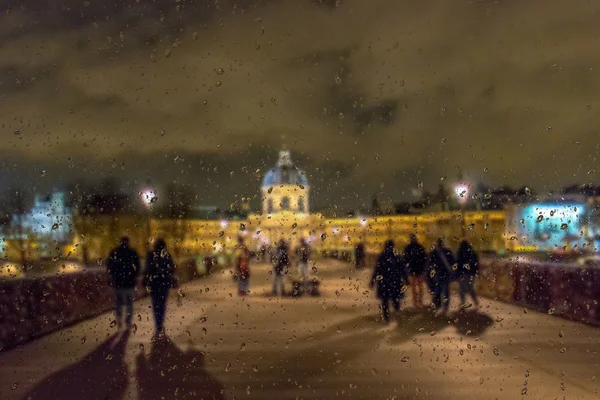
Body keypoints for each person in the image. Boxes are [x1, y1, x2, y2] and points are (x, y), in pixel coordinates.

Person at [106, 237, 141, 330]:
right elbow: (137, 267)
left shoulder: (115, 252)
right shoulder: (132, 252)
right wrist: (135, 277)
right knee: (129, 303)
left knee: (118, 302)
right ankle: (128, 321)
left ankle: (119, 317)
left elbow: (109, 265)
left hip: (118, 283)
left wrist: (112, 276)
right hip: (129, 283)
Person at [144, 239, 175, 336]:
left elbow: (147, 269)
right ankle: (160, 323)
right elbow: (172, 268)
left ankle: (158, 324)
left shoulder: (150, 255)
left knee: (155, 304)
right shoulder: (166, 254)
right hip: (164, 283)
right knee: (162, 304)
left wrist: (146, 280)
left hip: (153, 283)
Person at [370, 240, 407, 324]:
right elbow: (402, 268)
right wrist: (406, 279)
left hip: (384, 282)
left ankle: (386, 318)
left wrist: (372, 281)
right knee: (395, 298)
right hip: (395, 281)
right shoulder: (397, 255)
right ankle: (397, 312)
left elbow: (377, 270)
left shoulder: (382, 256)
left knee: (385, 301)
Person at [428, 238, 456, 316]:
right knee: (445, 291)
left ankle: (438, 307)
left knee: (438, 291)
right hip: (445, 274)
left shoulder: (434, 252)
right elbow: (453, 262)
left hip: (437, 274)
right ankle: (445, 308)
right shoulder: (447, 251)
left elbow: (430, 264)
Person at [403, 234, 427, 308]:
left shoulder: (408, 248)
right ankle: (420, 301)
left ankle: (415, 302)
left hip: (412, 269)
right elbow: (425, 259)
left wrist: (406, 270)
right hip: (420, 269)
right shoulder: (420, 247)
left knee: (413, 286)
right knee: (420, 286)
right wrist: (424, 270)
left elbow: (405, 259)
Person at [457, 239, 480, 310]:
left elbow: (457, 264)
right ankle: (475, 301)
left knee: (462, 289)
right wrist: (476, 272)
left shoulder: (460, 252)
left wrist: (457, 273)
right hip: (471, 273)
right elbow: (476, 263)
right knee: (470, 288)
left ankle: (463, 302)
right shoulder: (472, 253)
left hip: (463, 273)